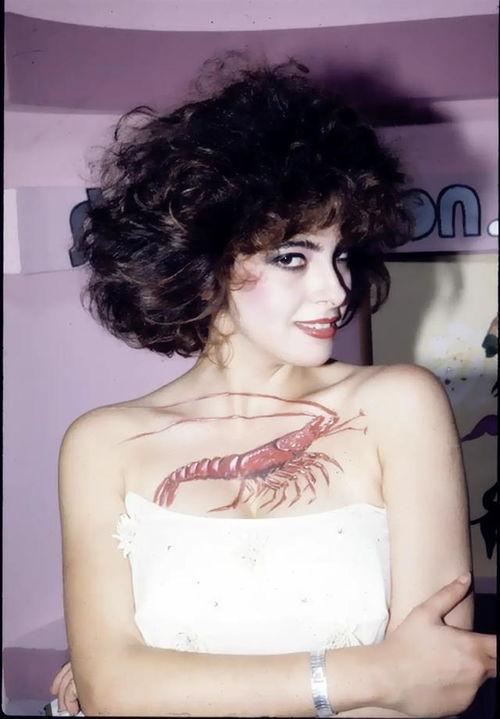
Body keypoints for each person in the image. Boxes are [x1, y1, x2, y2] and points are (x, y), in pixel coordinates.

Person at [48, 56, 495, 717]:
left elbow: (440, 683)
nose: (335, 289)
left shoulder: (397, 405)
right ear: (204, 261)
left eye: (340, 254)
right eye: (292, 257)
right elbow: (113, 689)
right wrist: (377, 671)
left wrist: (161, 685)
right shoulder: (102, 443)